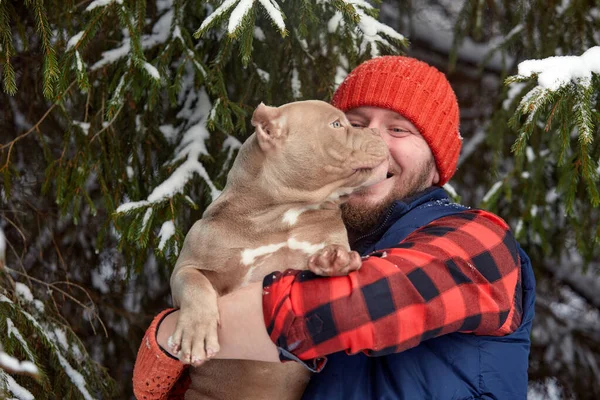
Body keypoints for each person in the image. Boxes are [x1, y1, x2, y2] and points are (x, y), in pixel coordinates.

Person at [132, 56, 535, 399]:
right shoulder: (307, 237)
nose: (373, 140)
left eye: (399, 129)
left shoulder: (478, 239)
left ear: (437, 165)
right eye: (354, 123)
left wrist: (178, 331)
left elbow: (361, 305)